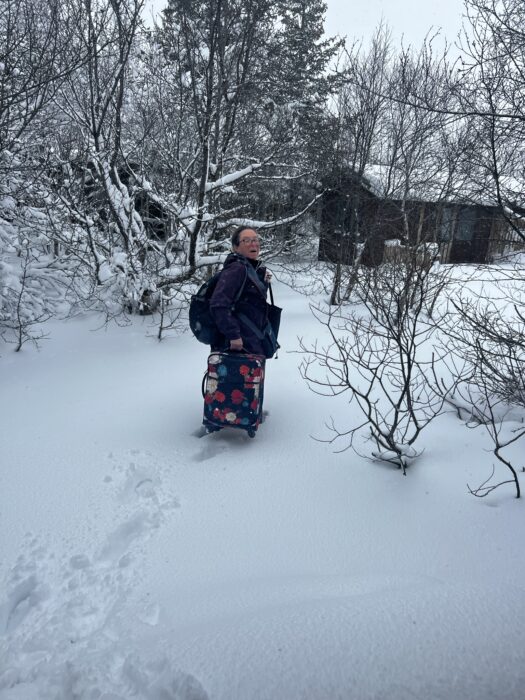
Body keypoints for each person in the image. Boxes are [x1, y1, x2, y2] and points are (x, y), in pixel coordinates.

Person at [209, 226, 271, 355]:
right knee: (232, 376)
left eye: (255, 239)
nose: (253, 243)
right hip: (238, 347)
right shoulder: (237, 269)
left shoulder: (250, 269)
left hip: (251, 343)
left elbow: (249, 304)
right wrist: (234, 336)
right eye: (246, 240)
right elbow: (218, 304)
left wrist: (262, 282)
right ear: (235, 247)